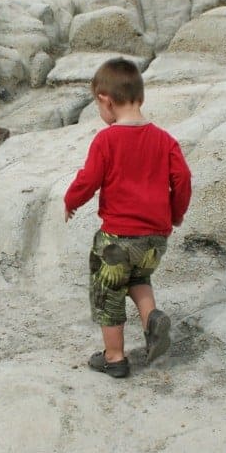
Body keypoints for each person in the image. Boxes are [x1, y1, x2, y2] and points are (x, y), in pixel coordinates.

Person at [64, 57, 192, 379]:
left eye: (98, 106)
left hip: (117, 240)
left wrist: (71, 200)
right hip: (154, 242)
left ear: (105, 100)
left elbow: (89, 179)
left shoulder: (106, 140)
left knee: (109, 293)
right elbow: (183, 179)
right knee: (138, 278)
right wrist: (174, 216)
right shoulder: (165, 140)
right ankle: (151, 319)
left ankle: (115, 357)